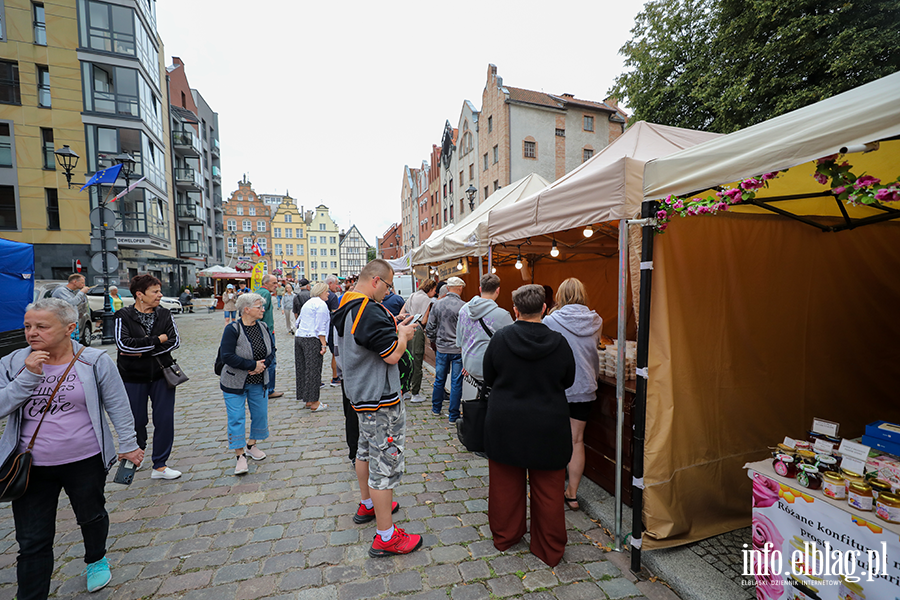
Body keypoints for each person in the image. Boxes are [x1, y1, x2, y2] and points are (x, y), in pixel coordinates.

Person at [0, 298, 143, 597]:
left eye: (42, 326)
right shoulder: (13, 362)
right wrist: (28, 376)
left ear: (69, 328)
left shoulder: (94, 360)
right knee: (32, 541)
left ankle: (96, 558)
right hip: (30, 466)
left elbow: (117, 404)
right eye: (28, 326)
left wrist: (129, 445)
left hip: (84, 459)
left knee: (91, 515)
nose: (32, 333)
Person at [333, 259, 422, 557]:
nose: (388, 291)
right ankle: (386, 536)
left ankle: (368, 503)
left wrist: (393, 325)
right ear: (375, 281)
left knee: (364, 450)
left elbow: (363, 342)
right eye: (388, 285)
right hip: (379, 398)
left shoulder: (346, 303)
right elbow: (392, 357)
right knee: (385, 463)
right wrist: (404, 336)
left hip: (359, 393)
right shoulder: (368, 309)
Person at [483, 284, 576, 567]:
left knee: (504, 486)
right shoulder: (559, 342)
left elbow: (489, 376)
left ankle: (506, 536)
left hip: (506, 422)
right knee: (549, 490)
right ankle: (549, 547)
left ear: (515, 310)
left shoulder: (500, 339)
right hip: (548, 423)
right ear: (545, 308)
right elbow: (568, 379)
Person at [114, 274, 182, 480]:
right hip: (133, 377)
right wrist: (156, 340)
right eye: (155, 292)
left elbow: (174, 341)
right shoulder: (122, 315)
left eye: (159, 291)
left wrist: (141, 348)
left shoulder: (165, 314)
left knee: (164, 420)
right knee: (136, 420)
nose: (160, 295)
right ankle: (135, 456)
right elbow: (123, 345)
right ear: (140, 295)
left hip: (162, 375)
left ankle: (160, 465)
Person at [542, 278, 602, 511]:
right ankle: (572, 494)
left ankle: (551, 488)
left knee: (555, 439)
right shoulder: (596, 321)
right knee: (577, 440)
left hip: (559, 387)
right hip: (586, 386)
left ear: (560, 296)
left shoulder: (550, 320)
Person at [218, 293, 272, 476]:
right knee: (236, 417)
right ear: (246, 309)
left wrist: (262, 366)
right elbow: (227, 356)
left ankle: (251, 445)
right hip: (234, 381)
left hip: (258, 380)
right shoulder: (233, 329)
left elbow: (272, 350)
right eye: (259, 307)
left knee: (260, 415)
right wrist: (251, 365)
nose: (263, 310)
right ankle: (239, 455)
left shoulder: (263, 326)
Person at [456, 273, 514, 385]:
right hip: (491, 370)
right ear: (498, 290)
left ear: (480, 289)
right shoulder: (502, 315)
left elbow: (460, 341)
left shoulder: (463, 310)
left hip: (469, 367)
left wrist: (466, 362)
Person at [425, 276, 466, 423]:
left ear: (448, 288)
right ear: (460, 288)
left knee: (439, 379)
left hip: (442, 348)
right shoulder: (464, 306)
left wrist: (434, 341)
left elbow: (430, 327)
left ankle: (436, 409)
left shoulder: (437, 304)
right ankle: (453, 415)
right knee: (456, 382)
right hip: (457, 350)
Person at [295, 282, 330, 412]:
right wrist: (324, 345)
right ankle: (314, 401)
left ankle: (308, 399)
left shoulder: (307, 303)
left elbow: (298, 321)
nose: (328, 294)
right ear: (321, 291)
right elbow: (320, 327)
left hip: (300, 337)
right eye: (326, 291)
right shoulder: (321, 305)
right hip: (312, 338)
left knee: (303, 369)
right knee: (313, 370)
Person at [400, 279, 437, 403]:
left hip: (407, 328)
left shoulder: (412, 295)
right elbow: (425, 320)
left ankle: (405, 391)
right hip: (418, 329)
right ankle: (415, 393)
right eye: (434, 290)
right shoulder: (427, 300)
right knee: (417, 361)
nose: (435, 292)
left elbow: (402, 312)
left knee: (408, 359)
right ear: (430, 289)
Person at [256, 274, 284, 398]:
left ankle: (262, 388)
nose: (276, 285)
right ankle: (270, 389)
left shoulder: (257, 291)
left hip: (262, 330)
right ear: (266, 283)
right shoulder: (266, 293)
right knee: (271, 361)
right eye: (274, 283)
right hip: (267, 331)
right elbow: (261, 312)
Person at [51, 273, 86, 340]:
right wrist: (81, 292)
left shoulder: (72, 291)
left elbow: (78, 303)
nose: (83, 285)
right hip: (65, 321)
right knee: (68, 341)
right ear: (75, 282)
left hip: (73, 320)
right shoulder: (61, 291)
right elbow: (72, 302)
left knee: (75, 342)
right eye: (82, 283)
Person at [325, 275, 343, 386]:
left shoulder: (318, 294)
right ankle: (335, 377)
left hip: (320, 329)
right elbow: (335, 315)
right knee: (334, 353)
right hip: (331, 328)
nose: (338, 286)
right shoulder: (332, 296)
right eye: (336, 283)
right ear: (330, 283)